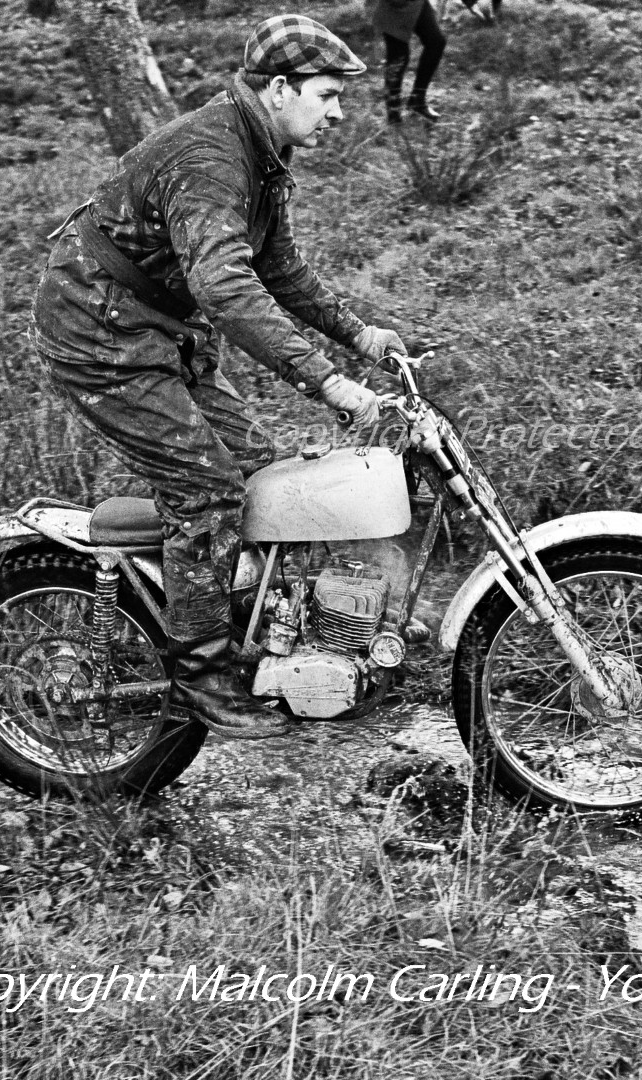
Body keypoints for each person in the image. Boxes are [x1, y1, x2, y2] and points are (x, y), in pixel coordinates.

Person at [32, 14, 405, 740]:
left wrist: (359, 334)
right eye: (328, 95)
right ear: (279, 88)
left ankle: (257, 624)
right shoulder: (211, 156)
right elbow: (226, 287)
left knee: (263, 472)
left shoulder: (262, 151)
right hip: (98, 328)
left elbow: (279, 268)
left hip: (158, 326)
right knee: (206, 492)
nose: (338, 113)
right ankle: (200, 671)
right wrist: (328, 381)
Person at [370, 0, 492, 124]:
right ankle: (393, 114)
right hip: (394, 6)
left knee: (436, 42)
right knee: (398, 57)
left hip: (417, 3)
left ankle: (417, 100)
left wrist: (471, 3)